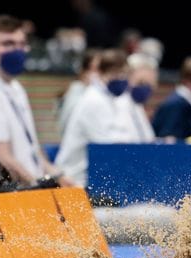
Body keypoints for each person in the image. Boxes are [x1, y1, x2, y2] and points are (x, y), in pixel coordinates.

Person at [0, 14, 74, 196]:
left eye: (21, 44)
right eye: (8, 44)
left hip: (24, 194)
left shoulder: (15, 87)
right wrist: (39, 188)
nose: (17, 50)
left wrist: (58, 176)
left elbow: (32, 150)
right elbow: (0, 158)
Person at [54, 48, 133, 187]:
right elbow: (107, 145)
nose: (120, 78)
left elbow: (126, 135)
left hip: (92, 177)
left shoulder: (113, 99)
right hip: (73, 180)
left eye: (124, 74)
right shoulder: (93, 100)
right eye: (115, 73)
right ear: (101, 73)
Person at [56, 47, 101, 135]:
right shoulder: (76, 90)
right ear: (84, 71)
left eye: (100, 70)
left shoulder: (99, 93)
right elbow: (65, 126)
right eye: (94, 69)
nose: (97, 74)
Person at [116, 52, 157, 143]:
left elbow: (147, 139)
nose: (144, 88)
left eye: (148, 84)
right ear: (128, 77)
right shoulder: (119, 103)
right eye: (141, 83)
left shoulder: (137, 106)